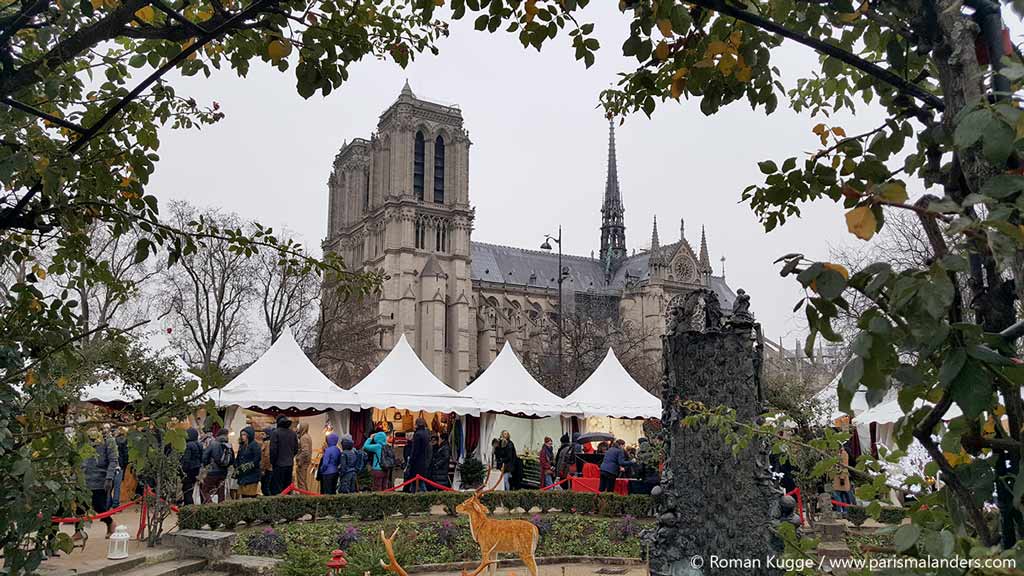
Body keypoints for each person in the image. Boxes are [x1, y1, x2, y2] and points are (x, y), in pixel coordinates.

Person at [78, 428, 118, 539]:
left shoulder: (108, 440)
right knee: (79, 506)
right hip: (82, 479)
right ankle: (78, 531)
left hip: (100, 479)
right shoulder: (82, 440)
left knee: (99, 506)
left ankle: (110, 523)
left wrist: (109, 478)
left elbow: (113, 460)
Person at [201, 428, 233, 503]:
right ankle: (220, 509)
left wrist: (206, 466)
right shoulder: (229, 445)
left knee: (205, 490)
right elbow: (232, 460)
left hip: (212, 472)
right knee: (221, 492)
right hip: (223, 472)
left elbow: (204, 457)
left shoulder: (213, 444)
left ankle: (211, 505)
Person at [269, 416, 298, 495]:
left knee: (277, 489)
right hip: (289, 464)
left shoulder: (275, 433)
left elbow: (273, 450)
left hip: (278, 464)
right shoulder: (293, 433)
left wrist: (273, 462)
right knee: (287, 488)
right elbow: (296, 449)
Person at [405, 417, 432, 493]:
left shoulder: (417, 434)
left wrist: (410, 462)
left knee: (417, 482)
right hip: (424, 461)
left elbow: (415, 451)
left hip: (417, 462)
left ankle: (420, 495)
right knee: (420, 481)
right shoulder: (426, 433)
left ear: (416, 424)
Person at [235, 426, 262, 498]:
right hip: (243, 474)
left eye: (244, 435)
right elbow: (238, 458)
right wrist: (237, 467)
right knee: (243, 495)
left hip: (252, 474)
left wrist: (248, 466)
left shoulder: (254, 445)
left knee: (251, 495)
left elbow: (256, 459)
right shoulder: (242, 446)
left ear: (249, 435)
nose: (242, 436)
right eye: (241, 435)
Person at [180, 427, 203, 506]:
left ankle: (188, 505)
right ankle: (189, 505)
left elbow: (186, 459)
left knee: (187, 489)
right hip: (196, 469)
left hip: (188, 470)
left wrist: (182, 470)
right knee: (190, 488)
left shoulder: (188, 445)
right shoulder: (199, 444)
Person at [110, 427, 128, 508]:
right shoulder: (124, 441)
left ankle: (108, 502)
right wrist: (125, 464)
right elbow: (125, 454)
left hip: (111, 465)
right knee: (117, 486)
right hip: (120, 465)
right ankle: (115, 503)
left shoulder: (109, 441)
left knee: (110, 485)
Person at [295, 422, 312, 493]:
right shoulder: (307, 436)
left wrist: (299, 461)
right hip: (305, 462)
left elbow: (305, 452)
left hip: (303, 463)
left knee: (301, 482)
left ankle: (303, 498)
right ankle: (306, 497)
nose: (297, 429)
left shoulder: (304, 438)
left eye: (299, 427)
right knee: (303, 481)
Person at [259, 427, 273, 496]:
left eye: (263, 434)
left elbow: (266, 457)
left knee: (265, 487)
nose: (261, 435)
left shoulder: (267, 443)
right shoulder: (265, 442)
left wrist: (263, 469)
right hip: (267, 468)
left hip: (267, 468)